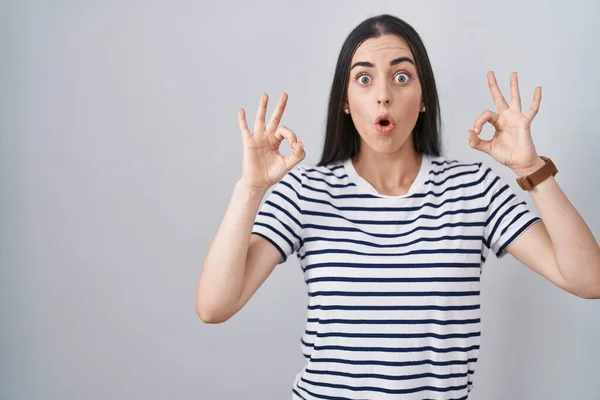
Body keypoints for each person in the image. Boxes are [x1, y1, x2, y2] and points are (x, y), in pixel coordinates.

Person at [197, 14, 600, 400]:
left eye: (402, 76)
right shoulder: (305, 191)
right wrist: (251, 189)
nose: (383, 94)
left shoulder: (473, 189)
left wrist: (531, 168)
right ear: (345, 101)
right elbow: (214, 306)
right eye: (365, 78)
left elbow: (588, 280)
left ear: (424, 98)